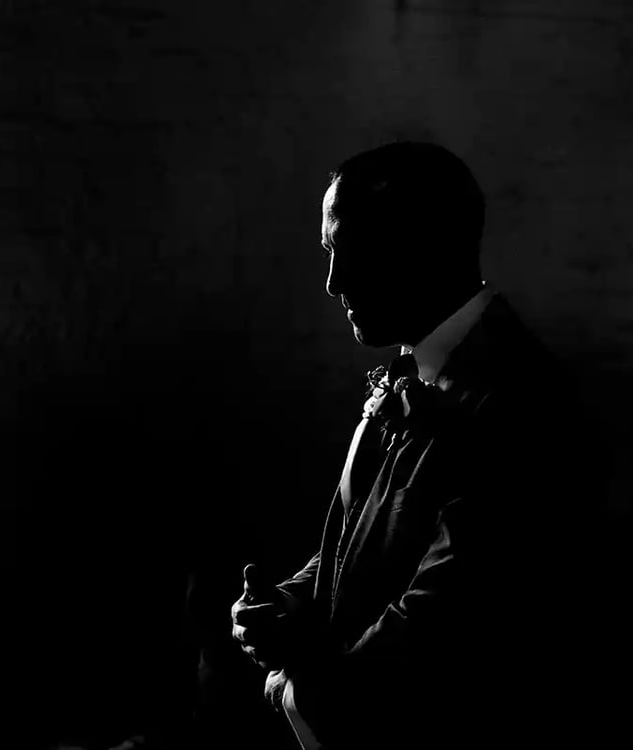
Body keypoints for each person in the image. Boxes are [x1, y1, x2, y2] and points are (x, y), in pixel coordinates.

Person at [231, 142, 602, 748]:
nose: (331, 282)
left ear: (414, 246)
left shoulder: (519, 404)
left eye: (344, 251)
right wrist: (288, 605)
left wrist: (296, 688)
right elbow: (362, 542)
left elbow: (449, 622)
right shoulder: (414, 373)